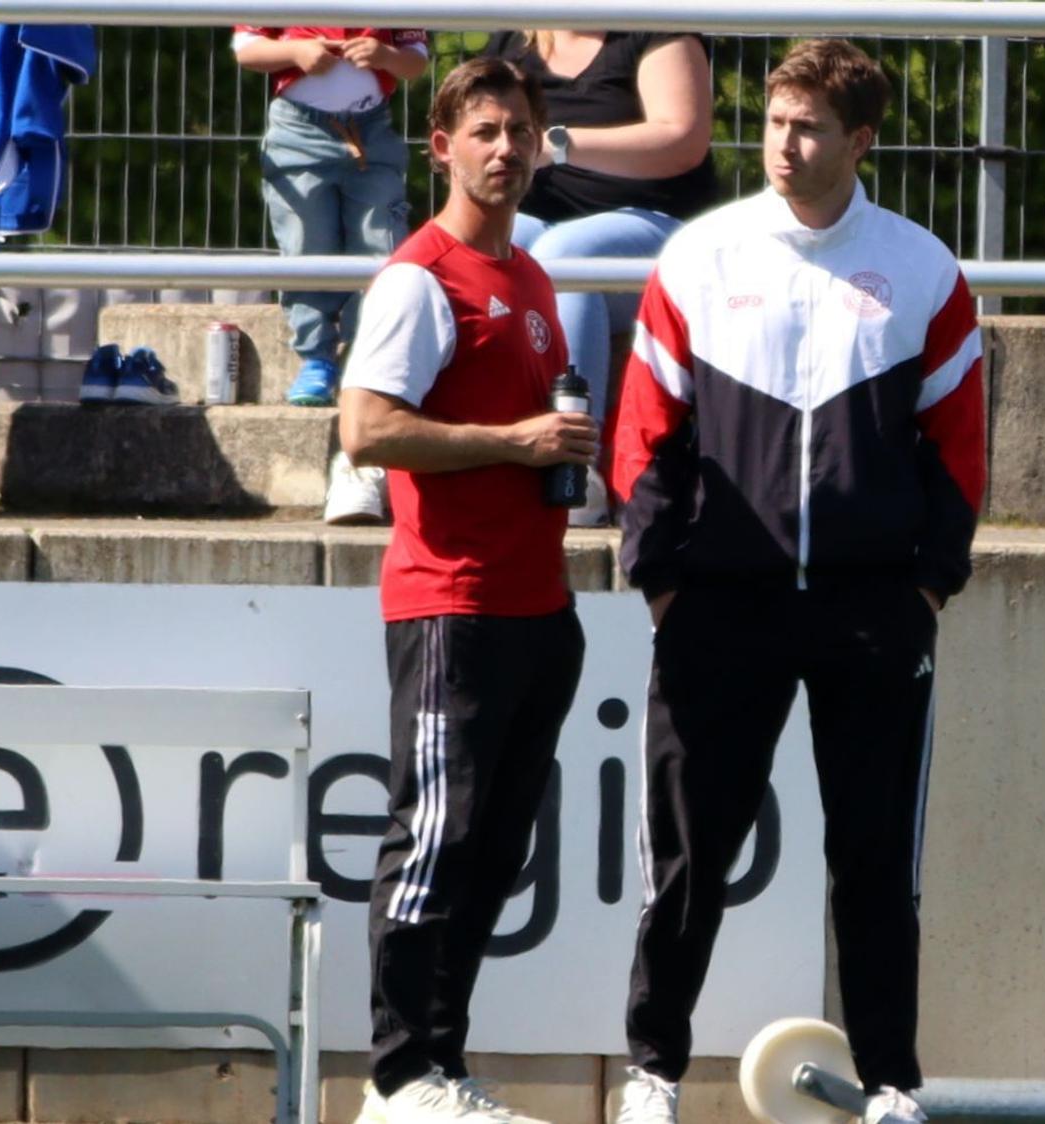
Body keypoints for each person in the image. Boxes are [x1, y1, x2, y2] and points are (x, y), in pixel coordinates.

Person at [607, 39, 985, 1124]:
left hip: (873, 609)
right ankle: (652, 1073)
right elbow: (644, 436)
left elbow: (959, 448)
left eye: (810, 125)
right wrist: (662, 578)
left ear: (859, 141)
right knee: (687, 859)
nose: (784, 141)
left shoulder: (922, 269)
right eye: (774, 120)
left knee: (872, 865)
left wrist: (926, 588)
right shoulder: (698, 254)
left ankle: (890, 1083)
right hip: (718, 604)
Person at [336, 56, 597, 1124]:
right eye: (483, 131)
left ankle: (439, 1065)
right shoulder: (420, 276)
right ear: (440, 146)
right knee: (433, 837)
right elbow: (365, 430)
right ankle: (395, 1075)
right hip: (454, 602)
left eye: (520, 131)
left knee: (494, 850)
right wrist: (511, 439)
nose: (504, 149)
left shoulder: (528, 277)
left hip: (537, 604)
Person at [480, 28, 720, 525]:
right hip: (540, 222)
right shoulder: (512, 40)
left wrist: (560, 145)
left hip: (653, 221)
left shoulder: (653, 30)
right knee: (477, 250)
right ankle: (445, 451)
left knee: (567, 257)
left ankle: (573, 467)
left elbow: (682, 140)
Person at [232, 24, 427, 417]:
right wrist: (296, 53)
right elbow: (246, 49)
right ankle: (316, 358)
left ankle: (365, 360)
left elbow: (416, 61)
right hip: (297, 133)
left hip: (372, 131)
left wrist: (386, 57)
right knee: (306, 245)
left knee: (381, 246)